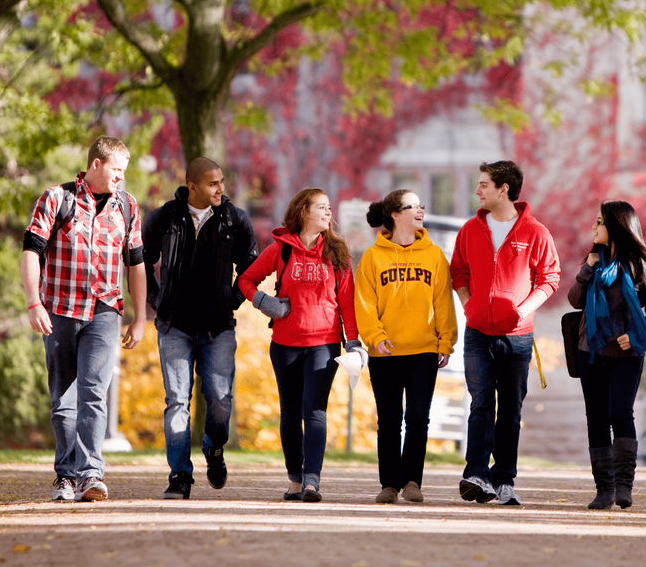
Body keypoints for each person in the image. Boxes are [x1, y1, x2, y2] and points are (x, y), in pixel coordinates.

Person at [21, 136, 147, 503]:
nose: (121, 178)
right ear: (96, 164)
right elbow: (31, 251)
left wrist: (139, 318)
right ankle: (66, 475)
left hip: (105, 311)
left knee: (94, 392)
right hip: (59, 310)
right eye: (116, 170)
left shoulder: (127, 206)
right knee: (63, 401)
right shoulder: (56, 199)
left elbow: (135, 263)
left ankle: (91, 474)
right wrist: (34, 303)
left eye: (124, 172)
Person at [143, 157, 258, 499]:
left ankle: (213, 447)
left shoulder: (234, 220)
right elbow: (137, 260)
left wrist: (232, 299)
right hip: (174, 328)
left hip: (218, 329)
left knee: (221, 402)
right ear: (192, 186)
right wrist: (155, 299)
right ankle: (180, 475)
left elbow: (253, 266)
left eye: (222, 182)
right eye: (213, 184)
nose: (221, 189)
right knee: (177, 402)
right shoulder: (164, 218)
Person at [239, 188, 362, 503]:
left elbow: (347, 304)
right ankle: (295, 478)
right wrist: (265, 303)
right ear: (304, 211)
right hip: (285, 344)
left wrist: (353, 343)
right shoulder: (280, 250)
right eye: (321, 207)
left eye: (329, 207)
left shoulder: (337, 253)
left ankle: (312, 481)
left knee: (315, 410)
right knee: (290, 414)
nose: (328, 212)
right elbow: (245, 280)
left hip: (324, 343)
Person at [450, 160, 560, 506]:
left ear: (504, 190)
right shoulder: (470, 229)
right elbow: (459, 272)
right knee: (481, 404)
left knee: (511, 409)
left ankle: (504, 480)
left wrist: (522, 311)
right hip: (478, 333)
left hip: (518, 337)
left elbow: (550, 279)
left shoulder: (535, 232)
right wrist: (468, 305)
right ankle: (477, 474)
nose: (478, 191)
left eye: (484, 185)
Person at [354, 189, 457, 505]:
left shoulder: (434, 255)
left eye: (421, 205)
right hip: (384, 352)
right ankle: (388, 484)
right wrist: (374, 335)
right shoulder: (373, 257)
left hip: (423, 350)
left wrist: (446, 341)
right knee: (388, 420)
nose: (421, 210)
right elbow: (364, 303)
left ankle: (412, 481)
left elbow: (443, 301)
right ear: (395, 214)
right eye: (413, 206)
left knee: (417, 418)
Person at [567, 200, 646, 510]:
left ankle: (624, 485)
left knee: (620, 415)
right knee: (596, 419)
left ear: (616, 226)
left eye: (600, 222)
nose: (594, 227)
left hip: (626, 354)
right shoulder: (593, 259)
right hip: (591, 351)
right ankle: (604, 489)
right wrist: (587, 268)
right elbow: (574, 300)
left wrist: (638, 336)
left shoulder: (639, 265)